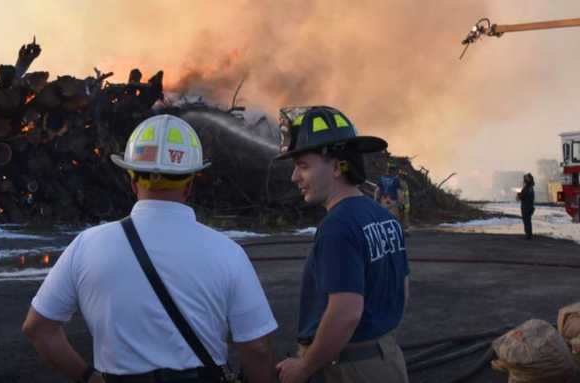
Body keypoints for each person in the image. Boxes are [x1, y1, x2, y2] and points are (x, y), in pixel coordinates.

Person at [22, 114, 277, 383]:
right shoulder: (228, 252)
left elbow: (38, 328)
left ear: (133, 182)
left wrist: (88, 378)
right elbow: (257, 348)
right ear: (189, 185)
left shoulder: (87, 245)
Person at [273, 106, 410, 383]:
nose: (294, 177)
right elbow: (402, 290)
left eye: (303, 166)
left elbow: (345, 312)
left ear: (336, 167)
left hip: (348, 370)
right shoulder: (385, 217)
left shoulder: (337, 227)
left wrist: (304, 367)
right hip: (388, 361)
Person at [517, 173, 535, 239]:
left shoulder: (528, 188)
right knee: (527, 221)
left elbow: (524, 196)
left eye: (526, 178)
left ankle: (528, 235)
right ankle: (528, 234)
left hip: (526, 207)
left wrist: (519, 195)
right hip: (527, 206)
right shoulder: (529, 187)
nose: (524, 179)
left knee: (527, 221)